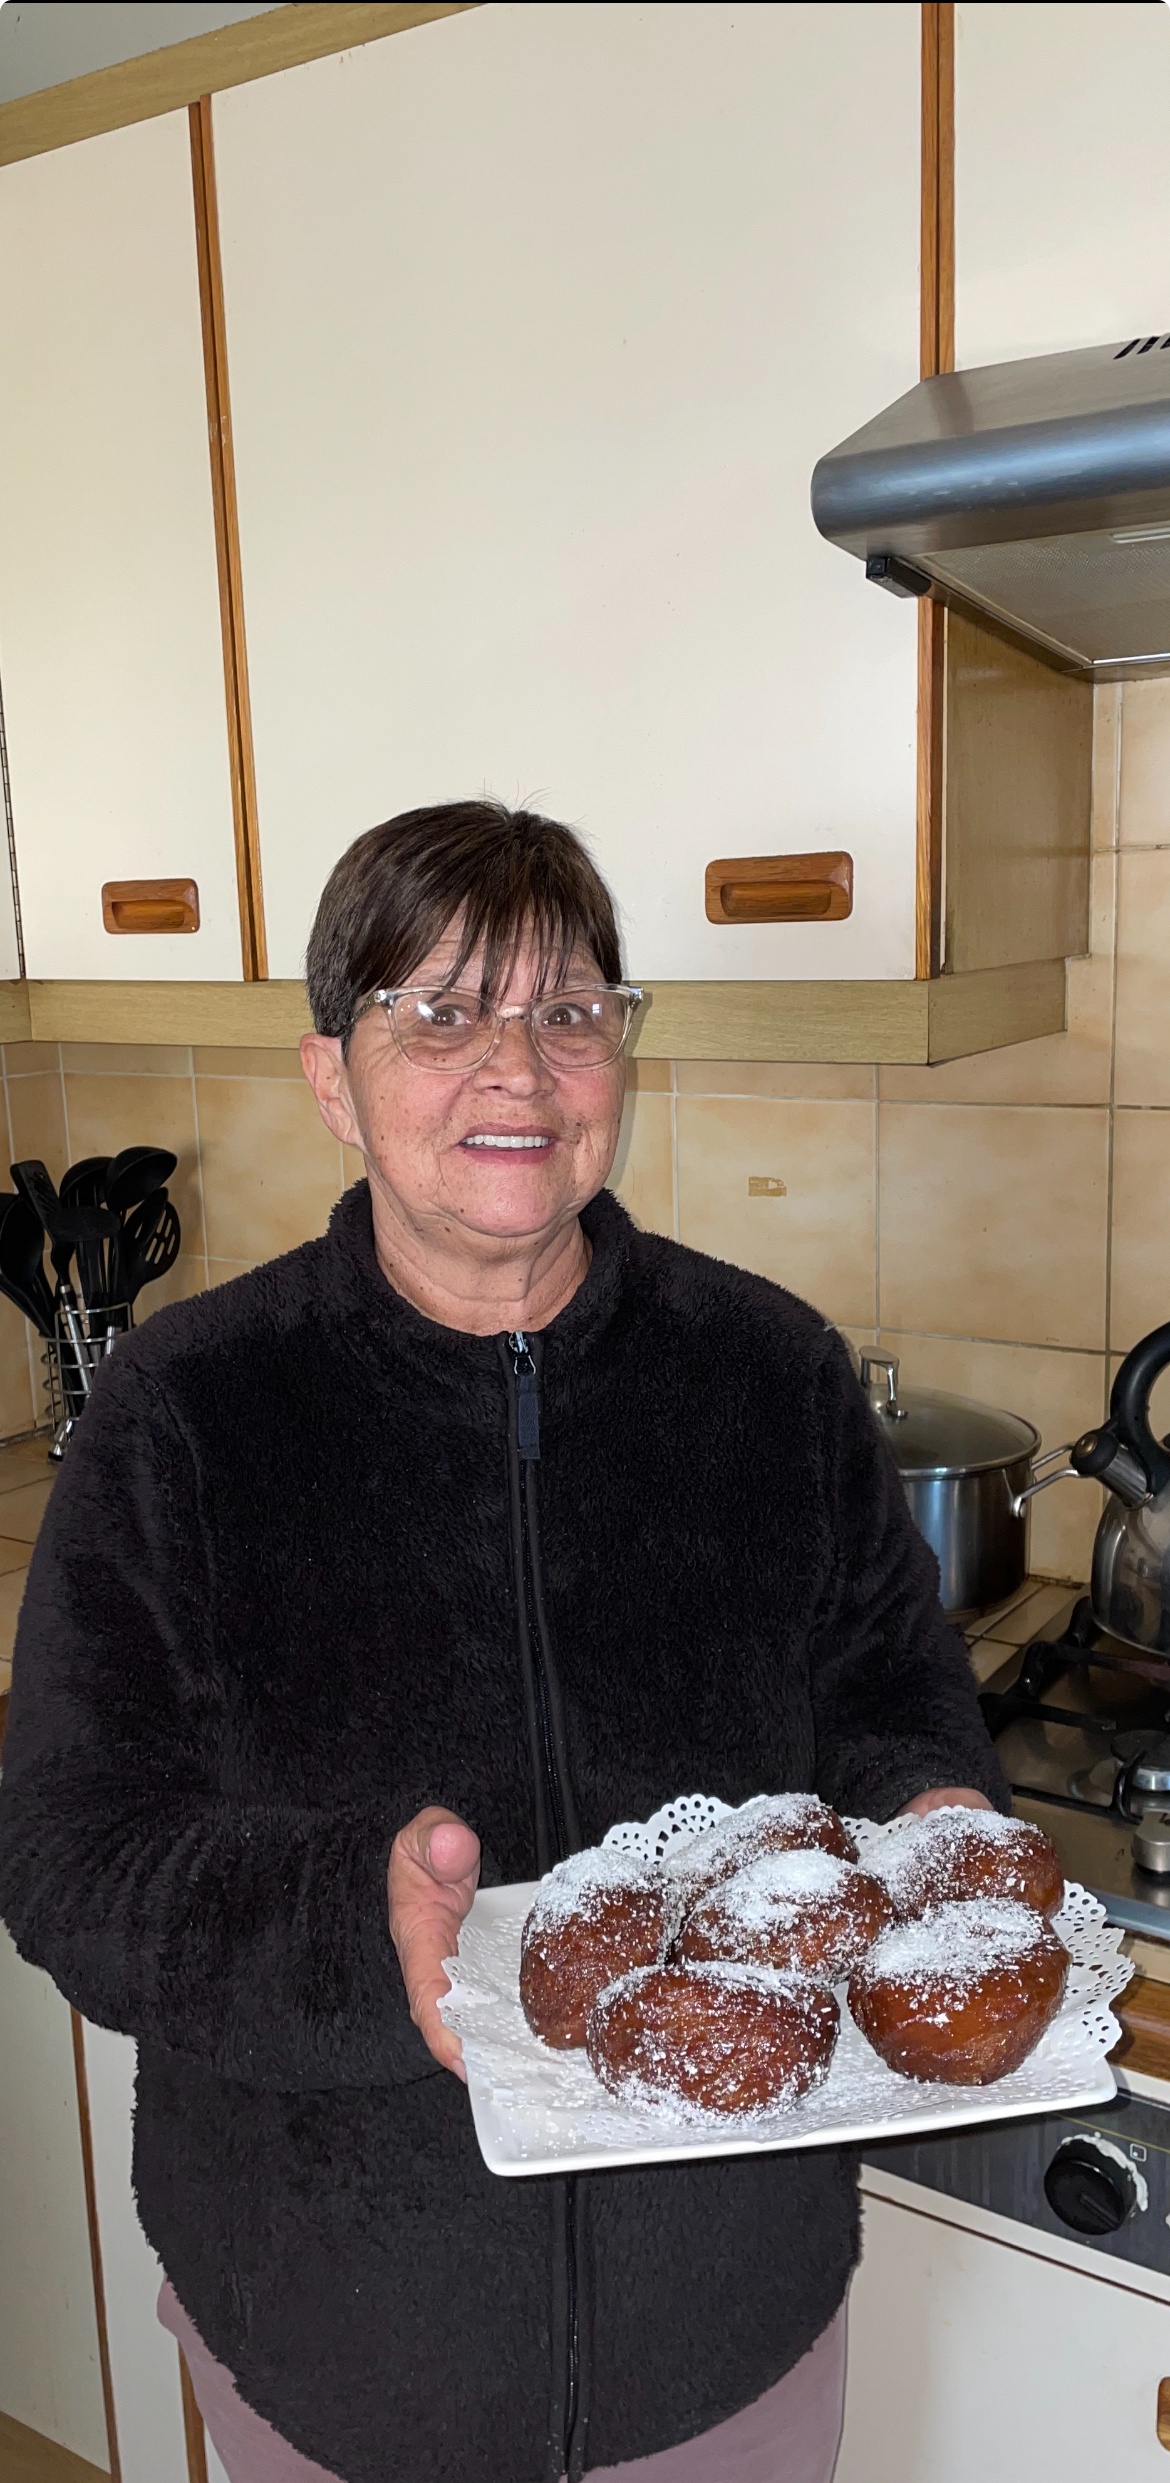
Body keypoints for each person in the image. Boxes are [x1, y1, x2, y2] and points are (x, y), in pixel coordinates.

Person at [0, 801, 1005, 2483]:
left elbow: (889, 1697)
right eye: (441, 1013)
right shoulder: (184, 1414)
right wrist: (356, 1923)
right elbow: (65, 1853)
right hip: (335, 2325)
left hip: (724, 2319)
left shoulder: (767, 1373)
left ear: (623, 1054)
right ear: (334, 1078)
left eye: (569, 1012)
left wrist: (930, 1814)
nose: (518, 1071)